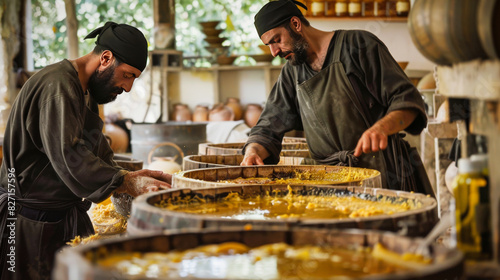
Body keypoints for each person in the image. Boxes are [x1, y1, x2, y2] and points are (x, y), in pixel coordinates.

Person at [0, 22, 172, 280]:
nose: (128, 87)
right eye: (128, 75)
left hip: (58, 218)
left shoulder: (85, 91)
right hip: (30, 223)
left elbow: (96, 147)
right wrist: (124, 181)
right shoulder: (57, 86)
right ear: (106, 58)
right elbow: (69, 155)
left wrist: (132, 176)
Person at [241, 0, 434, 196]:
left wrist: (382, 127)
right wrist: (253, 151)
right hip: (326, 183)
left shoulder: (358, 45)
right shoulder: (292, 73)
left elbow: (408, 100)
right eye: (269, 45)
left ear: (296, 24)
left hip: (381, 176)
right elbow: (268, 125)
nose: (274, 52)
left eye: (276, 40)